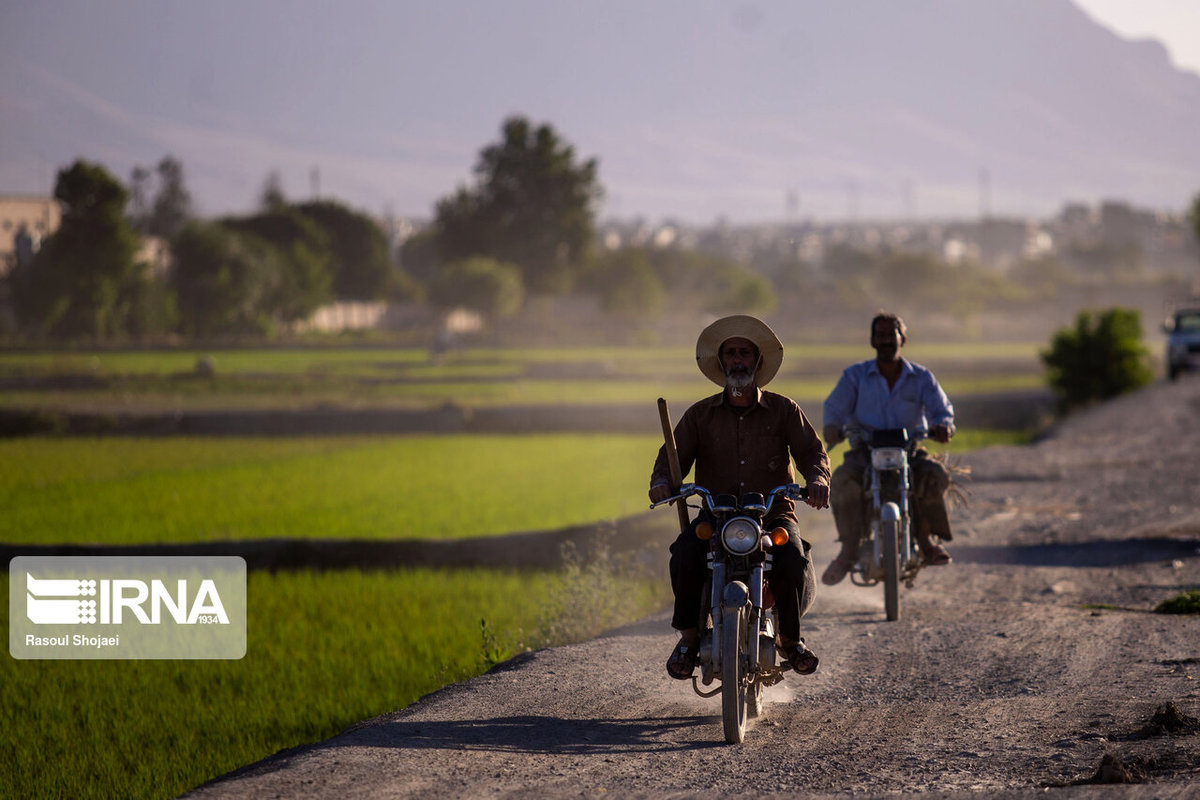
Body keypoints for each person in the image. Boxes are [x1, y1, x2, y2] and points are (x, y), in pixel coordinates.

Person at [649, 315, 831, 680]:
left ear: (757, 361)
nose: (737, 360)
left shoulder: (784, 410)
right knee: (684, 552)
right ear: (721, 362)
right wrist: (662, 482)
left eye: (744, 353)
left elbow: (812, 453)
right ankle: (688, 637)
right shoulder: (700, 415)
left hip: (772, 514)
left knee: (792, 557)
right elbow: (672, 458)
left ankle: (790, 640)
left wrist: (817, 479)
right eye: (730, 353)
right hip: (716, 515)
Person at [820, 311, 955, 586]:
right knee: (843, 480)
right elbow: (834, 408)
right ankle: (848, 551)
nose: (885, 341)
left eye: (890, 335)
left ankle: (927, 540)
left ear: (902, 339)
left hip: (909, 451)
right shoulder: (855, 376)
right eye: (879, 336)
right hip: (864, 452)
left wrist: (943, 426)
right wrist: (833, 426)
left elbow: (942, 410)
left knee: (934, 474)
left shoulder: (921, 377)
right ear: (872, 340)